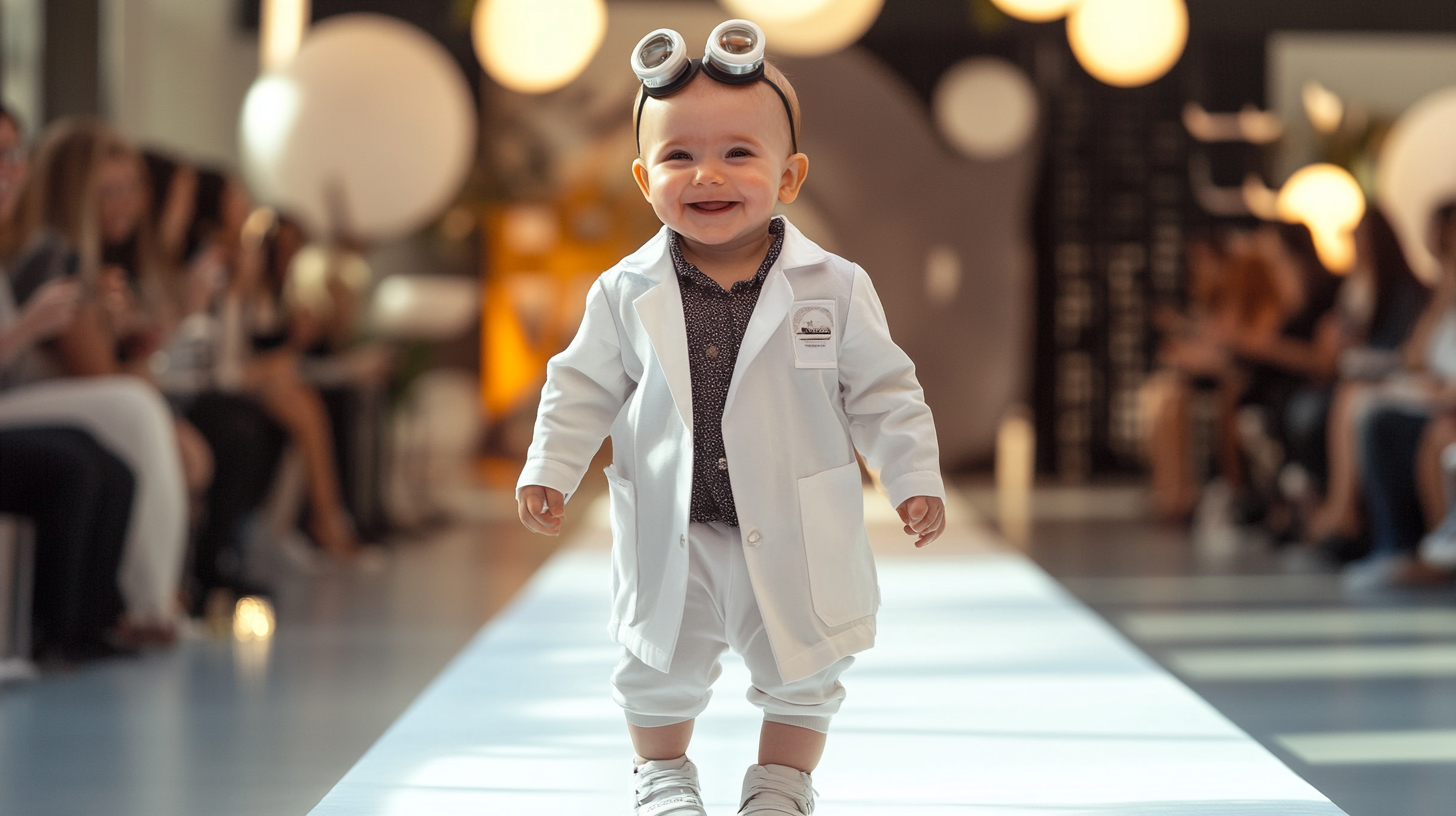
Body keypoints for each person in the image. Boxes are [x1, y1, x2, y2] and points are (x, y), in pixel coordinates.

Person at [516, 20, 944, 816]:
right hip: (678, 520)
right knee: (655, 662)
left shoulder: (836, 286)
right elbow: (578, 385)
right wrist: (551, 464)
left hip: (790, 519)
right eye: (680, 156)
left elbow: (885, 390)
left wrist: (912, 473)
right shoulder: (623, 290)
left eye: (739, 153)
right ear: (645, 179)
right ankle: (663, 777)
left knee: (805, 663)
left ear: (789, 177)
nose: (707, 173)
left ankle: (781, 785)